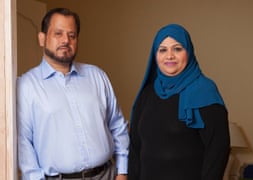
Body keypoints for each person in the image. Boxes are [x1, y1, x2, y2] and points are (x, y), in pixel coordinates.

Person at [17, 8, 129, 180]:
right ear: (42, 38)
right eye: (58, 33)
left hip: (107, 174)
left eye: (72, 35)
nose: (65, 40)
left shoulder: (97, 76)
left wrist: (122, 171)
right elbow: (24, 143)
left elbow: (117, 125)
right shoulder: (26, 85)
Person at [128, 24, 230, 180]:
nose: (169, 56)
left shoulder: (205, 91)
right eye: (162, 50)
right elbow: (135, 149)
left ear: (188, 52)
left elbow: (217, 152)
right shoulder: (147, 93)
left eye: (177, 49)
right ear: (155, 56)